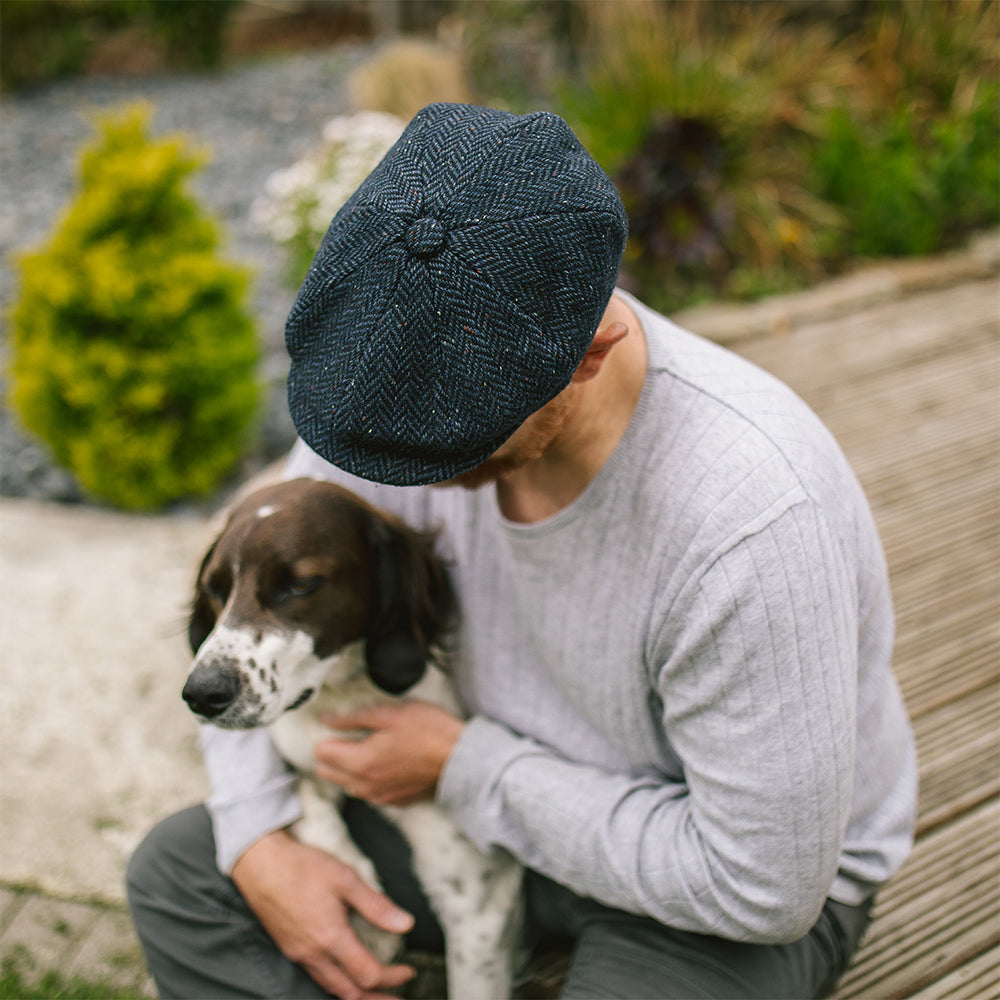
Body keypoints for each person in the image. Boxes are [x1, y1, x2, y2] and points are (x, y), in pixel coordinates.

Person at [127, 103, 917, 1000]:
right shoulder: (403, 395)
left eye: (457, 448)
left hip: (703, 886)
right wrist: (261, 836)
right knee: (181, 877)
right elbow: (245, 592)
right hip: (468, 812)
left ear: (590, 351)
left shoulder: (748, 521)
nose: (410, 477)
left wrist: (467, 767)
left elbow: (762, 886)